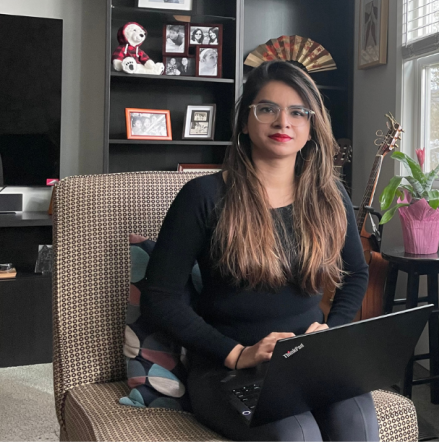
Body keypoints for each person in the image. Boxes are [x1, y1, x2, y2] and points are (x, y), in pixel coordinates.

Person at [141, 61, 374, 441]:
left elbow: (357, 274)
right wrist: (237, 353)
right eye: (268, 109)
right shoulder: (203, 196)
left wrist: (331, 332)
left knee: (357, 424)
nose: (284, 122)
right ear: (246, 121)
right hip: (226, 367)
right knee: (297, 435)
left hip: (309, 362)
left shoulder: (331, 197)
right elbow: (160, 298)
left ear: (311, 126)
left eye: (298, 112)